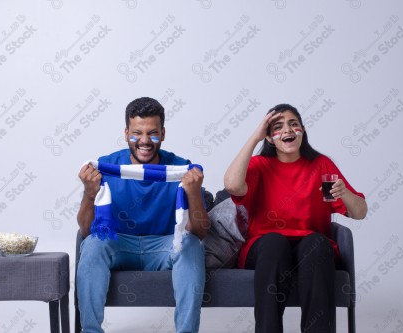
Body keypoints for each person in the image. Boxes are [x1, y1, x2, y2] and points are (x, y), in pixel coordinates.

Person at [224, 103, 367, 333]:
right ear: (270, 138)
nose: (288, 130)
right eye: (278, 127)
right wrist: (255, 137)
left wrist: (345, 194)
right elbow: (231, 184)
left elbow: (360, 212)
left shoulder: (321, 165)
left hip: (310, 245)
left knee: (318, 243)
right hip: (266, 247)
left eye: (293, 124)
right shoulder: (259, 166)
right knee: (275, 242)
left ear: (302, 130)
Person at [76, 97, 209, 333]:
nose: (145, 141)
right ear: (126, 134)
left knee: (190, 245)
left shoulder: (179, 167)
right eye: (137, 133)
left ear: (163, 133)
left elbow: (199, 233)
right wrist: (89, 193)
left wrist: (194, 192)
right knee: (93, 244)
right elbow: (86, 231)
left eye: (153, 133)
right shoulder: (106, 166)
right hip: (119, 244)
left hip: (165, 246)